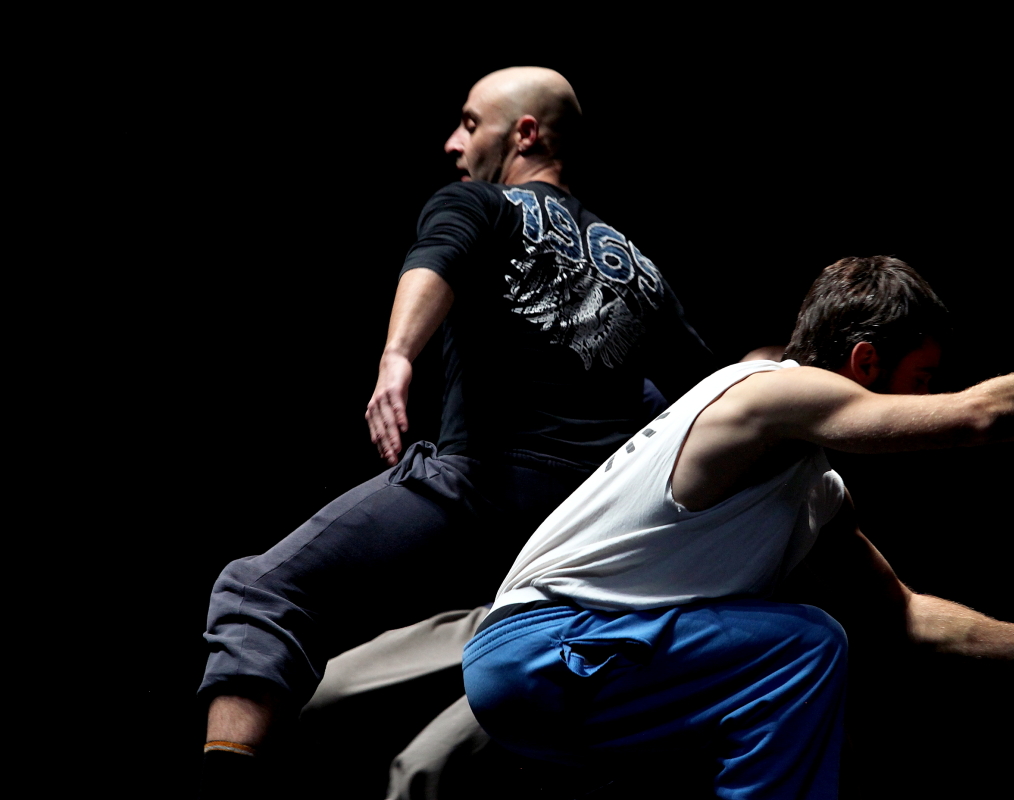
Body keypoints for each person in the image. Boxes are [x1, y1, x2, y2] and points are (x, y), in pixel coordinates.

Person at [198, 66, 714, 796]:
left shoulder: (480, 203)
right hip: (579, 537)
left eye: (470, 123)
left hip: (484, 489)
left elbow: (436, 257)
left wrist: (397, 354)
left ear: (525, 133)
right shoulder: (641, 269)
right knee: (395, 736)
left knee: (259, 592)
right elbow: (712, 395)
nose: (453, 141)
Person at [461, 256, 1014, 799]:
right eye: (922, 378)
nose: (925, 398)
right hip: (546, 648)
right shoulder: (768, 390)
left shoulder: (811, 489)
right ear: (865, 362)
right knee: (805, 646)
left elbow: (900, 614)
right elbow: (975, 417)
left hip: (581, 677)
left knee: (794, 715)